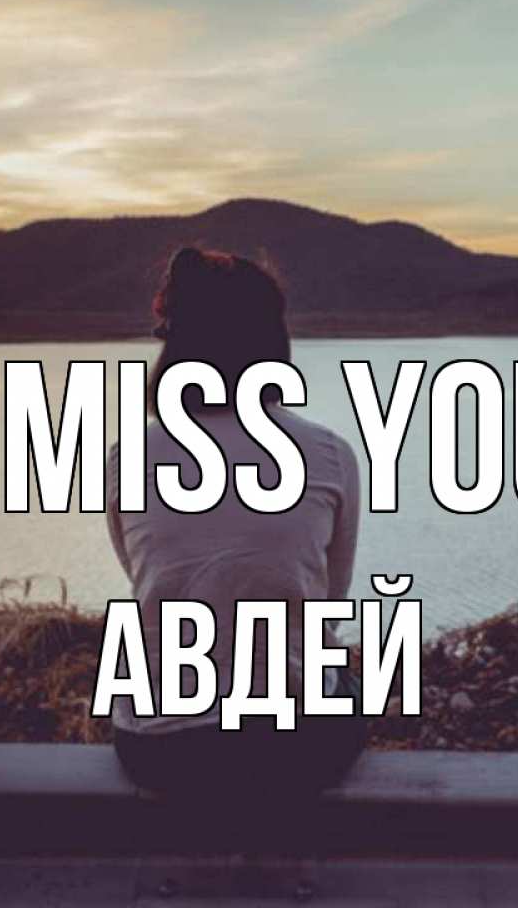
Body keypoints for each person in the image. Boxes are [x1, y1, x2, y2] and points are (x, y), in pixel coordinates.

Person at [107, 246, 365, 797]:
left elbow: (148, 577)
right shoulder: (329, 454)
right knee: (343, 680)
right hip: (295, 749)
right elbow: (328, 600)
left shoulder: (126, 457)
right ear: (273, 342)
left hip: (160, 750)